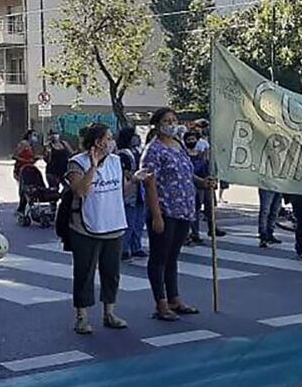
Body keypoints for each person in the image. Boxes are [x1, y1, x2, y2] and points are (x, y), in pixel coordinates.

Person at [142, 108, 217, 321]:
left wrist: (203, 183)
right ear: (157, 125)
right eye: (167, 121)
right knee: (159, 257)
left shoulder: (178, 145)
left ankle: (174, 298)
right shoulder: (153, 150)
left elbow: (186, 173)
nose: (171, 124)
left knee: (172, 257)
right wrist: (156, 215)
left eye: (173, 120)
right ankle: (161, 303)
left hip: (184, 209)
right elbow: (149, 183)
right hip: (165, 210)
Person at [66, 124, 139, 335]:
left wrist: (134, 180)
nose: (112, 142)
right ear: (98, 142)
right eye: (108, 138)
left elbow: (120, 193)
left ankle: (110, 312)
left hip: (113, 225)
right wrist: (94, 167)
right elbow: (80, 190)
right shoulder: (76, 163)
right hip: (86, 227)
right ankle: (82, 317)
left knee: (111, 273)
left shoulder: (116, 161)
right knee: (84, 273)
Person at [116, 127, 147, 260]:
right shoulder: (123, 154)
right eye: (133, 135)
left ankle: (136, 246)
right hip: (130, 189)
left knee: (138, 221)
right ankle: (124, 248)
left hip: (140, 190)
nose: (136, 138)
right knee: (128, 221)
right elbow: (124, 173)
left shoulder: (138, 151)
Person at [13, 129, 38, 215]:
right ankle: (21, 208)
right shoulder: (23, 144)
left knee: (28, 188)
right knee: (23, 188)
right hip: (21, 169)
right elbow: (15, 156)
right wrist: (26, 160)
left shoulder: (31, 146)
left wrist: (33, 160)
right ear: (29, 135)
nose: (35, 137)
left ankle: (24, 207)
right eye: (34, 135)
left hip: (29, 169)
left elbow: (31, 158)